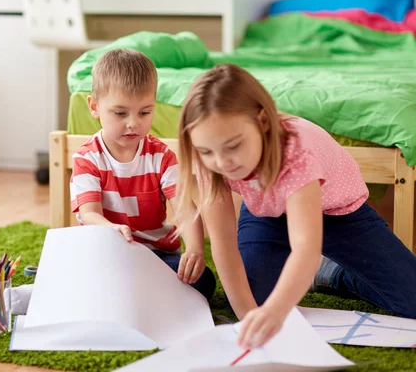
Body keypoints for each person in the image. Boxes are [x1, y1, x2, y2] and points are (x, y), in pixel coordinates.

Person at [176, 63, 416, 349]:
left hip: (339, 216)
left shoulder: (296, 152)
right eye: (206, 152)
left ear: (263, 122)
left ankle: (332, 273)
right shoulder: (209, 161)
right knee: (251, 299)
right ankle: (307, 274)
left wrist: (276, 312)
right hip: (268, 215)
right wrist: (250, 319)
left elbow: (306, 247)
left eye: (234, 146)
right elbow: (223, 241)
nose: (222, 162)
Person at [70, 49, 216, 300]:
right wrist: (111, 229)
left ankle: (135, 292)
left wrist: (194, 250)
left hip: (157, 256)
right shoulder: (86, 158)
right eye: (120, 113)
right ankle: (136, 292)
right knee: (81, 276)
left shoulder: (161, 156)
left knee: (203, 281)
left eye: (144, 112)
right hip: (108, 254)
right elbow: (89, 213)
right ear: (94, 107)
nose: (133, 123)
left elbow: (185, 209)